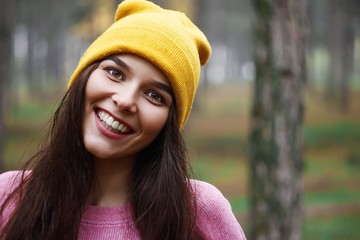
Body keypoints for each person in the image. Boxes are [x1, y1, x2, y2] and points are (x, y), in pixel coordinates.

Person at [0, 0, 246, 239]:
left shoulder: (198, 213)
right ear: (85, 75)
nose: (125, 100)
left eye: (154, 95)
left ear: (168, 123)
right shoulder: (9, 197)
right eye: (115, 73)